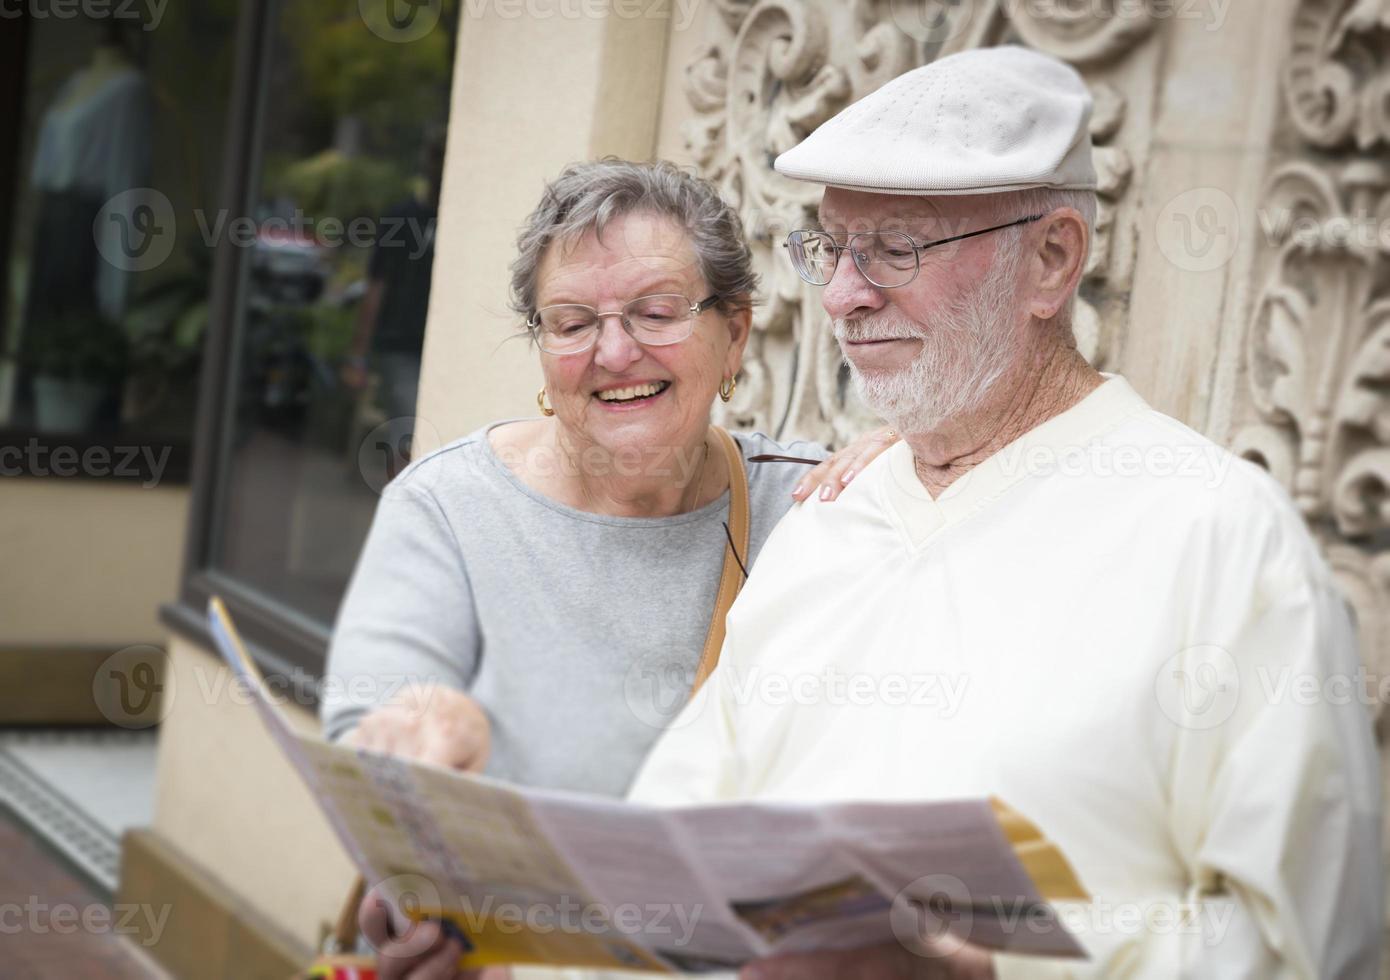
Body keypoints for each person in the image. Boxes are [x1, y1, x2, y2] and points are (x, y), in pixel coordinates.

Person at [622, 46, 1383, 979]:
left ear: (1051, 260)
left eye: (894, 248)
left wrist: (990, 970)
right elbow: (666, 865)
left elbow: (1309, 940)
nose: (844, 294)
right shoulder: (826, 522)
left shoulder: (1220, 534)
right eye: (829, 246)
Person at [319, 159, 899, 977]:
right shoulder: (447, 508)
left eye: (657, 313)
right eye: (571, 322)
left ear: (735, 331)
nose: (614, 351)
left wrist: (921, 471)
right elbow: (372, 753)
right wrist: (411, 766)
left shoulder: (811, 506)